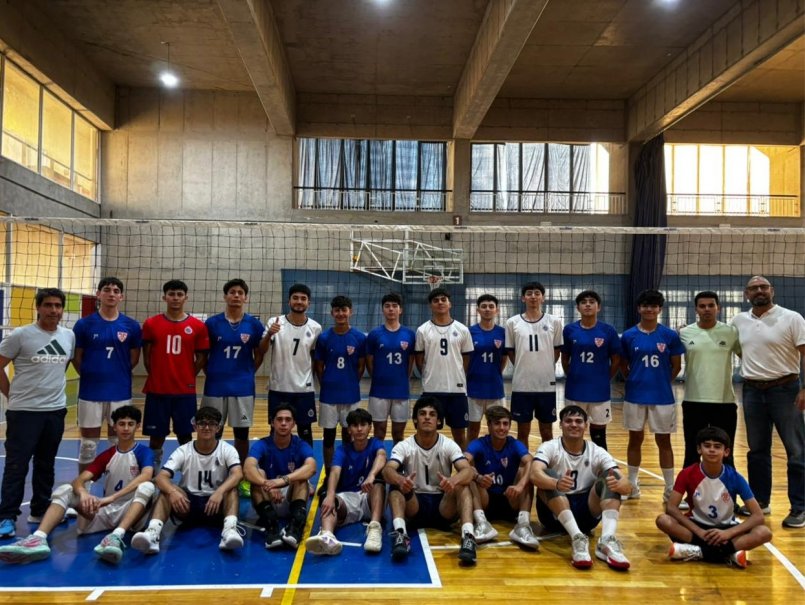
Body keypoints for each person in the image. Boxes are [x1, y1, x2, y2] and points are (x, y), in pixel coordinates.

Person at [0, 406, 155, 564]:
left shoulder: (144, 452)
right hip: (106, 511)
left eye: (130, 424)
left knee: (147, 487)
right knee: (66, 489)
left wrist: (112, 497)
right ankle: (38, 539)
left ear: (138, 426)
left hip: (132, 512)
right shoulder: (107, 455)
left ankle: (116, 536)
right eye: (122, 424)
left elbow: (146, 475)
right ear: (114, 426)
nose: (126, 428)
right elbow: (79, 481)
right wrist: (83, 493)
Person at [730, 275, 805, 528]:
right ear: (746, 294)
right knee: (757, 451)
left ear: (772, 290)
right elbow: (732, 347)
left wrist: (804, 389)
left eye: (763, 287)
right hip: (752, 391)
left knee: (796, 451)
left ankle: (800, 507)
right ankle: (760, 502)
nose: (759, 291)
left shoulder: (792, 318)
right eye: (754, 288)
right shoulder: (739, 321)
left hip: (786, 390)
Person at [0, 288, 75, 540]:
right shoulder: (20, 335)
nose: (54, 310)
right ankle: (7, 517)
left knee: (46, 464)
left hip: (54, 411)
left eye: (57, 306)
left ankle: (40, 509)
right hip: (23, 413)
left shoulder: (68, 335)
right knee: (16, 466)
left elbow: (61, 366)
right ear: (38, 307)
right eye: (48, 305)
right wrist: (12, 395)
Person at [530, 405, 632, 570]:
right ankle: (577, 537)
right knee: (547, 475)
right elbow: (534, 474)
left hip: (586, 513)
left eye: (578, 421)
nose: (574, 425)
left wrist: (622, 485)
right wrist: (556, 483)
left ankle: (607, 540)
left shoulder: (596, 451)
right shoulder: (550, 447)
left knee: (610, 477)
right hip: (553, 514)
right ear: (561, 425)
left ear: (586, 425)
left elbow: (627, 485)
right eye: (568, 421)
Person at [131, 406, 243, 554]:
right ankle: (152, 534)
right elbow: (161, 477)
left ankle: (229, 531)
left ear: (218, 428)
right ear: (195, 426)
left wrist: (220, 491)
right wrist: (172, 491)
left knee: (231, 489)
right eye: (202, 423)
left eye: (212, 423)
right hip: (188, 505)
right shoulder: (184, 450)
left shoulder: (226, 449)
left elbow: (238, 474)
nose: (207, 427)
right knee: (166, 490)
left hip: (216, 505)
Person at [656, 426, 772, 568]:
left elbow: (758, 516)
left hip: (726, 528)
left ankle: (697, 552)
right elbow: (671, 508)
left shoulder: (735, 478)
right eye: (707, 446)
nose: (712, 450)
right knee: (663, 520)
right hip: (696, 527)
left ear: (726, 452)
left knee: (764, 532)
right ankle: (728, 554)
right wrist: (699, 531)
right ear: (699, 449)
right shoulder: (687, 474)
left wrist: (728, 534)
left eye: (717, 447)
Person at [382, 396, 478, 565]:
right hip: (415, 504)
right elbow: (387, 469)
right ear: (415, 420)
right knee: (396, 487)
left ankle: (468, 537)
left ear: (439, 421)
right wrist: (400, 479)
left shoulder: (448, 445)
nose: (427, 417)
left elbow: (468, 470)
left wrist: (453, 480)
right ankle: (400, 534)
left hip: (443, 505)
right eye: (422, 413)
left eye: (432, 414)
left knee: (463, 486)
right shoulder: (404, 446)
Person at [72, 277, 142, 473]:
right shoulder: (84, 325)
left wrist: (115, 374)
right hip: (90, 392)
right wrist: (91, 375)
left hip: (119, 392)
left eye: (116, 290)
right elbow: (77, 358)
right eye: (107, 289)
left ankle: (115, 488)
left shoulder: (131, 326)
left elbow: (134, 359)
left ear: (121, 296)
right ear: (98, 294)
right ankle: (83, 491)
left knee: (117, 443)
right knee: (88, 446)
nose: (111, 293)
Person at [202, 278, 265, 497]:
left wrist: (248, 371)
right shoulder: (212, 324)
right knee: (212, 433)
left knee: (241, 433)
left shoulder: (254, 325)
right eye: (232, 292)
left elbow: (260, 353)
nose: (236, 296)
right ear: (225, 296)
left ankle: (242, 477)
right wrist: (211, 372)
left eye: (240, 293)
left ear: (245, 297)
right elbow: (203, 354)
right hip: (215, 386)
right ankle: (214, 473)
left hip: (242, 387)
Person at [620, 289, 684, 501]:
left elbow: (675, 366)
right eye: (645, 305)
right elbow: (623, 364)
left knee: (663, 441)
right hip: (635, 395)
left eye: (654, 306)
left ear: (660, 309)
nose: (649, 309)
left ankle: (669, 489)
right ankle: (632, 485)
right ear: (639, 309)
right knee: (634, 439)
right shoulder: (629, 335)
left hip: (662, 397)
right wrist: (636, 379)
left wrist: (661, 382)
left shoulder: (669, 335)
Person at [141, 279, 210, 468]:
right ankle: (153, 472)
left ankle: (188, 471)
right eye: (171, 294)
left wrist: (187, 374)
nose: (175, 298)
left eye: (179, 294)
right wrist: (157, 373)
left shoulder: (197, 326)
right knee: (156, 437)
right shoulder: (151, 323)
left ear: (186, 298)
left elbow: (202, 357)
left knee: (185, 436)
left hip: (184, 392)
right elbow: (146, 356)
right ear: (164, 297)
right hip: (158, 390)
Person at [306, 408, 385, 555]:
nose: (359, 429)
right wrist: (330, 495)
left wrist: (371, 475)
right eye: (355, 425)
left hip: (369, 496)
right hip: (348, 499)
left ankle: (374, 529)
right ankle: (327, 536)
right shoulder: (342, 450)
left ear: (370, 427)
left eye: (363, 424)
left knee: (379, 483)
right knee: (328, 498)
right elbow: (334, 473)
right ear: (349, 430)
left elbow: (381, 456)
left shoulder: (376, 444)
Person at [679, 291, 740, 469]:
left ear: (718, 308)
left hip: (724, 402)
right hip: (693, 401)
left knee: (726, 454)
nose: (707, 309)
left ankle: (727, 495)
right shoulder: (684, 333)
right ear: (696, 309)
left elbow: (748, 356)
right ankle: (691, 497)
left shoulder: (731, 332)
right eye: (702, 306)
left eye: (711, 305)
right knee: (691, 452)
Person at [243, 404, 317, 550]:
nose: (283, 423)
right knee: (260, 474)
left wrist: (282, 481)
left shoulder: (300, 444)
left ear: (294, 423)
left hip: (291, 496)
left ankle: (295, 527)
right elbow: (248, 468)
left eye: (288, 420)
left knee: (302, 478)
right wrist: (267, 484)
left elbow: (312, 467)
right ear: (272, 422)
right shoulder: (262, 444)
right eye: (279, 419)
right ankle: (272, 528)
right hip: (267, 497)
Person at [465, 405, 539, 549]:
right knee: (469, 475)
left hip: (510, 497)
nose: (502, 428)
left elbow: (530, 460)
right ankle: (481, 522)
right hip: (485, 498)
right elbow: (463, 461)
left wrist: (520, 485)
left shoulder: (514, 444)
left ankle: (523, 525)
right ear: (489, 425)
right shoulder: (480, 443)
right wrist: (478, 477)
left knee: (526, 473)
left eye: (505, 424)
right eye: (497, 423)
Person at [260, 283, 321, 446]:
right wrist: (268, 335)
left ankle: (307, 469)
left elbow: (316, 358)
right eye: (295, 298)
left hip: (304, 389)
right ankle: (274, 466)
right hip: (279, 388)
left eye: (303, 298)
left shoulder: (315, 327)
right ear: (289, 301)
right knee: (275, 431)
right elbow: (262, 349)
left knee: (305, 430)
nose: (299, 301)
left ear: (309, 303)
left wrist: (314, 385)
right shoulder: (275, 322)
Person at [561, 290, 621, 451]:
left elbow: (616, 360)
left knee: (599, 435)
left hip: (599, 391)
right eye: (583, 302)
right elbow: (565, 357)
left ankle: (601, 471)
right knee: (572, 431)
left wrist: (604, 377)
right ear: (578, 308)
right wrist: (573, 375)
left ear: (598, 307)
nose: (588, 304)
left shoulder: (608, 330)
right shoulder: (569, 330)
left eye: (592, 302)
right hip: (575, 389)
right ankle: (570, 466)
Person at [505, 281, 563, 446]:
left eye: (537, 293)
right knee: (522, 432)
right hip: (522, 386)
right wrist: (524, 366)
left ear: (543, 298)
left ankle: (545, 466)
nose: (533, 296)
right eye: (529, 293)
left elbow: (557, 350)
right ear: (523, 298)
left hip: (546, 386)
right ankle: (524, 467)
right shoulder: (512, 323)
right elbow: (510, 351)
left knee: (547, 432)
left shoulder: (554, 322)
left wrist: (544, 366)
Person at [415, 288, 474, 450]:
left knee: (459, 434)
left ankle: (463, 470)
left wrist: (458, 375)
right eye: (436, 300)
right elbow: (420, 360)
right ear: (430, 306)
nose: (440, 303)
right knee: (428, 433)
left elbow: (466, 359)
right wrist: (429, 375)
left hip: (457, 391)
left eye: (443, 299)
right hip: (432, 390)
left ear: (450, 304)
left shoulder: (462, 329)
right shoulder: (422, 330)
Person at [315, 295, 366, 471]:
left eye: (344, 310)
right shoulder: (324, 338)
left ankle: (347, 468)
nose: (340, 313)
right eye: (337, 310)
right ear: (332, 313)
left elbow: (361, 366)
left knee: (349, 434)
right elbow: (319, 366)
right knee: (328, 436)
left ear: (350, 312)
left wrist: (350, 382)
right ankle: (329, 471)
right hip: (329, 395)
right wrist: (327, 383)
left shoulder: (359, 337)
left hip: (351, 394)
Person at [366, 292, 416, 444]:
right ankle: (378, 465)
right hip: (378, 390)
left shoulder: (409, 334)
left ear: (400, 310)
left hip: (401, 390)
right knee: (379, 432)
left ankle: (397, 466)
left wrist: (401, 379)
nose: (391, 309)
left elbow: (410, 362)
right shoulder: (374, 334)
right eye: (387, 306)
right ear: (383, 310)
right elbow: (369, 362)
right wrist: (379, 378)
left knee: (398, 434)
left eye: (394, 306)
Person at [466, 294, 508, 443]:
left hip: (495, 389)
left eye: (491, 306)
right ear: (478, 310)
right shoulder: (469, 332)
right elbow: (466, 360)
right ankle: (469, 462)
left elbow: (503, 359)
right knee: (472, 429)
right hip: (473, 389)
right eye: (484, 306)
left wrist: (494, 373)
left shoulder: (503, 332)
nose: (487, 309)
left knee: (498, 428)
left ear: (497, 310)